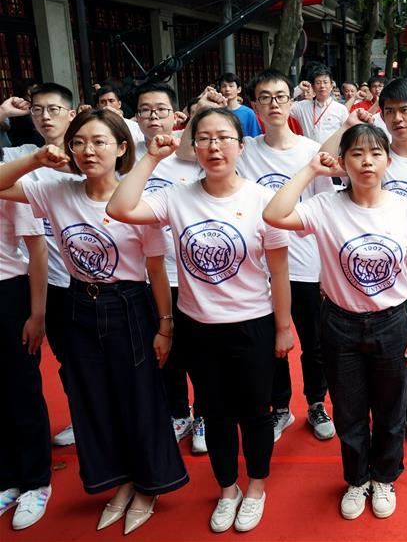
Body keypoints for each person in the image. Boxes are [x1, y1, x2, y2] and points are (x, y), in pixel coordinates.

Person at [0, 109, 188, 534]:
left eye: (100, 141)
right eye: (79, 142)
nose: (88, 150)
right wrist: (35, 160)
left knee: (139, 398)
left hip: (130, 306)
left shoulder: (136, 200)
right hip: (78, 307)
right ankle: (118, 481)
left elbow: (156, 270)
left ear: (122, 147)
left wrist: (165, 325)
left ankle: (149, 485)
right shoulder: (56, 190)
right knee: (92, 400)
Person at [106, 107, 293, 533]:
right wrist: (150, 158)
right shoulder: (177, 195)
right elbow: (120, 208)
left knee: (256, 412)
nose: (214, 146)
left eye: (224, 137)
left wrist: (283, 326)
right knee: (215, 412)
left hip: (253, 324)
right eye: (204, 138)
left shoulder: (262, 200)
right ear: (192, 147)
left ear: (241, 147)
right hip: (198, 326)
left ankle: (257, 486)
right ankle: (228, 489)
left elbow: (279, 270)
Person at [262, 124, 407, 520]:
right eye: (356, 154)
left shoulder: (406, 210)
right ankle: (357, 479)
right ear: (343, 162)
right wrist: (311, 171)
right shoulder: (325, 207)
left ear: (388, 160)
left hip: (393, 321)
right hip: (339, 323)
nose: (366, 162)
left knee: (391, 409)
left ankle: (384, 476)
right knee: (349, 410)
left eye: (375, 153)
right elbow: (274, 214)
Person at [323, 79, 407, 445]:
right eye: (389, 111)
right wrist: (348, 125)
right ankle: (376, 415)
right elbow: (320, 161)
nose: (397, 118)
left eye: (405, 110)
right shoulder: (366, 154)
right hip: (363, 278)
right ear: (380, 114)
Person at [241, 69, 337, 443]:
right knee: (269, 343)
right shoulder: (246, 149)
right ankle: (279, 406)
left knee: (314, 342)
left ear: (291, 101)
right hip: (258, 266)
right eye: (265, 97)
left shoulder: (311, 152)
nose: (274, 104)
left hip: (306, 263)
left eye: (281, 96)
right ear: (255, 105)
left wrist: (329, 268)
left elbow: (327, 207)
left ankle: (316, 402)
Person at [132, 83, 207, 453]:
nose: (153, 116)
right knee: (165, 349)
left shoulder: (191, 155)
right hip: (146, 272)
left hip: (191, 273)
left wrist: (197, 117)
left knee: (200, 349)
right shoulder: (129, 158)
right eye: (145, 110)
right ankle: (179, 411)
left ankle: (206, 414)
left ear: (175, 115)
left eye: (160, 109)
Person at [3, 84, 78, 448]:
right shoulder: (22, 157)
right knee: (66, 358)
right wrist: (2, 113)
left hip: (89, 277)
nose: (45, 117)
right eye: (37, 110)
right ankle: (82, 417)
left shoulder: (88, 158)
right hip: (49, 282)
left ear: (72, 113)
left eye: (53, 109)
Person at [0, 147, 51, 530]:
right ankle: (7, 477)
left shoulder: (10, 179)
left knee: (21, 389)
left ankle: (35, 481)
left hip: (8, 293)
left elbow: (37, 249)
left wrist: (36, 313)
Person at [290, 67, 350, 144]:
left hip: (332, 154)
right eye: (318, 83)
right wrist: (299, 89)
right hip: (310, 154)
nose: (322, 86)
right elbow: (283, 104)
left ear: (331, 86)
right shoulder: (303, 107)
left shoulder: (341, 109)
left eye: (325, 82)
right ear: (313, 87)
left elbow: (348, 133)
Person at [217, 73, 263, 138]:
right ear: (220, 90)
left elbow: (256, 137)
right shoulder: (217, 113)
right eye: (224, 86)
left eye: (231, 86)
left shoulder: (249, 113)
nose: (227, 89)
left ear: (239, 89)